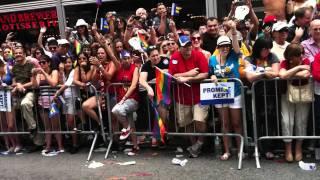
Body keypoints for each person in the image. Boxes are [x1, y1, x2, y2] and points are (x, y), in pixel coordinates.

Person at [169, 35, 209, 158]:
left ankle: (199, 143)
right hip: (182, 97)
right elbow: (172, 75)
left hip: (199, 96)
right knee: (186, 123)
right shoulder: (175, 56)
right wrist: (188, 73)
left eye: (189, 46)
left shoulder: (199, 55)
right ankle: (194, 147)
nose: (188, 49)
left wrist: (188, 78)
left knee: (199, 120)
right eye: (184, 47)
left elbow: (205, 74)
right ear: (179, 48)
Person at [208, 20, 242, 160]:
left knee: (237, 123)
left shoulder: (234, 55)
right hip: (220, 94)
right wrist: (213, 76)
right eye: (222, 46)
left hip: (235, 93)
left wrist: (233, 31)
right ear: (218, 47)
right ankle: (227, 150)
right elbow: (210, 72)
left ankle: (240, 150)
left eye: (227, 46)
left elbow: (236, 47)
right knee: (225, 123)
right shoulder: (212, 59)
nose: (225, 48)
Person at [245, 37, 280, 159]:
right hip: (253, 95)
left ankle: (268, 148)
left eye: (269, 49)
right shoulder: (249, 59)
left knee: (269, 121)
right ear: (258, 48)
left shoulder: (272, 57)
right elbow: (249, 77)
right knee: (255, 121)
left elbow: (276, 73)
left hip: (270, 94)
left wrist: (259, 73)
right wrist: (265, 72)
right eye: (265, 49)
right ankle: (256, 148)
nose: (267, 51)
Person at [279, 43, 311, 162]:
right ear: (291, 57)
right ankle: (288, 149)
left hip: (303, 95)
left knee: (301, 121)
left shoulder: (306, 60)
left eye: (301, 54)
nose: (301, 57)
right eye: (298, 55)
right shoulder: (284, 62)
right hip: (286, 94)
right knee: (286, 121)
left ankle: (298, 148)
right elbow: (282, 75)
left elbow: (306, 74)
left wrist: (290, 73)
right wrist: (298, 68)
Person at [12, 47, 43, 151]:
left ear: (25, 54)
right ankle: (20, 142)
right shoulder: (14, 67)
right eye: (16, 53)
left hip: (31, 92)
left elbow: (34, 83)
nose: (18, 54)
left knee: (25, 104)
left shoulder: (31, 65)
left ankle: (33, 128)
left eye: (20, 53)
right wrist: (17, 85)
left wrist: (22, 86)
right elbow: (13, 82)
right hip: (18, 95)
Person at [81, 37, 118, 127]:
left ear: (106, 54)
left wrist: (100, 66)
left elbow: (109, 76)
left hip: (113, 95)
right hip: (102, 94)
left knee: (113, 119)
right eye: (98, 53)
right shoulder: (97, 65)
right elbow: (93, 81)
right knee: (85, 105)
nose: (100, 55)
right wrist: (97, 69)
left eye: (102, 53)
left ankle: (116, 139)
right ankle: (101, 124)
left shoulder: (112, 63)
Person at [139, 46, 170, 146]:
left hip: (166, 92)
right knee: (154, 113)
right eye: (153, 56)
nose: (156, 57)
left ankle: (161, 135)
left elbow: (172, 73)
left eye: (157, 55)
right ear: (149, 57)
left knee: (163, 112)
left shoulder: (166, 60)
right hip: (154, 94)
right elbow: (142, 80)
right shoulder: (146, 65)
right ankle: (157, 136)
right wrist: (149, 87)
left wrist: (165, 74)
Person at [112, 51, 140, 156]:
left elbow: (133, 86)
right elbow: (112, 55)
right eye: (124, 58)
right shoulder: (119, 68)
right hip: (123, 101)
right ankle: (135, 146)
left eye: (128, 58)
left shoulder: (135, 68)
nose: (127, 60)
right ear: (121, 60)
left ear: (131, 59)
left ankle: (126, 128)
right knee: (130, 122)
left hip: (132, 100)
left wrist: (124, 98)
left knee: (116, 110)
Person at [54, 56, 82, 154]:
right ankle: (74, 142)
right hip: (65, 99)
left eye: (69, 62)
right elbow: (61, 83)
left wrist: (57, 92)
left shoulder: (74, 71)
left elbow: (68, 84)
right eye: (66, 62)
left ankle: (75, 143)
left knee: (71, 122)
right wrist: (61, 72)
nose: (68, 64)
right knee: (69, 123)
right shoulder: (63, 72)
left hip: (73, 98)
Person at [0, 60, 21, 154]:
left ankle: (18, 144)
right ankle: (10, 145)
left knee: (11, 124)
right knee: (3, 125)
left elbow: (15, 83)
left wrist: (8, 86)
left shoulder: (9, 68)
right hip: (0, 98)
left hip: (9, 97)